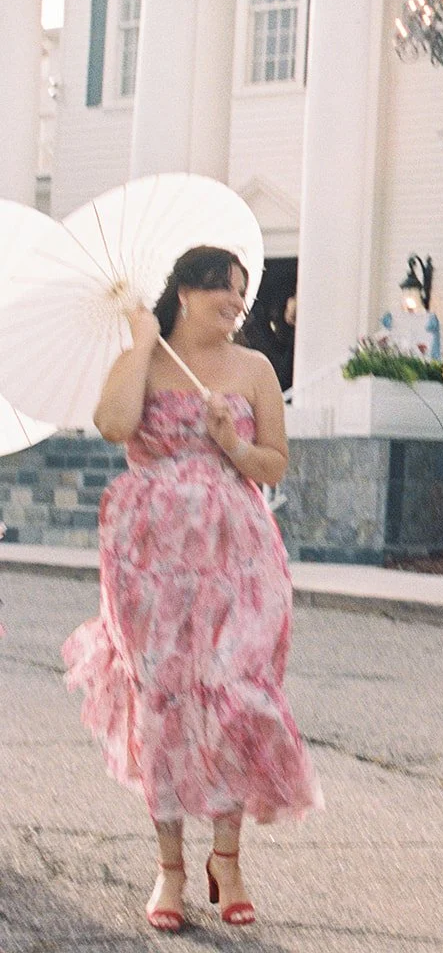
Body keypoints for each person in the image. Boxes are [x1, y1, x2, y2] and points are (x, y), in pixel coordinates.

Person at [62, 246, 322, 932]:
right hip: (150, 560)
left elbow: (272, 462)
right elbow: (115, 425)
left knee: (239, 699)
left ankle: (228, 859)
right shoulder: (142, 359)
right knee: (166, 702)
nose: (238, 304)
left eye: (242, 293)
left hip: (238, 554)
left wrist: (229, 443)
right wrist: (142, 344)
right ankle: (171, 870)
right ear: (184, 293)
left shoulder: (256, 368)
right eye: (224, 293)